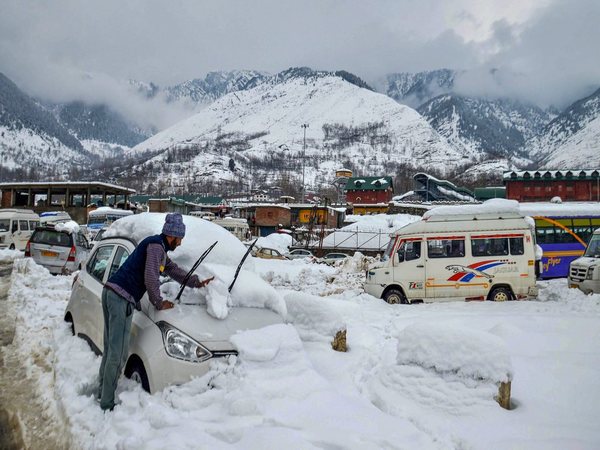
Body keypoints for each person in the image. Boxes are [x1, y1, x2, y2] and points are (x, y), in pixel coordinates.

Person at [97, 213, 214, 411]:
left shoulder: (157, 248)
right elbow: (151, 277)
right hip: (120, 298)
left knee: (111, 350)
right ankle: (107, 403)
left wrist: (195, 282)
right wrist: (159, 302)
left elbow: (173, 270)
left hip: (111, 292)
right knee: (117, 354)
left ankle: (103, 392)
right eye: (180, 238)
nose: (181, 242)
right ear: (173, 235)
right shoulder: (155, 247)